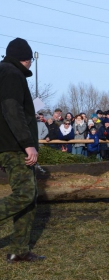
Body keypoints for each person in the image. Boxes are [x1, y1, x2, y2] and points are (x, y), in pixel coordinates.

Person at [0, 37, 45, 262]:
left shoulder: (6, 72)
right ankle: (20, 248)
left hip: (11, 144)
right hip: (14, 146)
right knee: (26, 194)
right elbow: (11, 109)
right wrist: (27, 143)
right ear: (25, 59)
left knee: (30, 196)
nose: (30, 65)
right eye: (29, 60)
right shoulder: (11, 74)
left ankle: (20, 249)